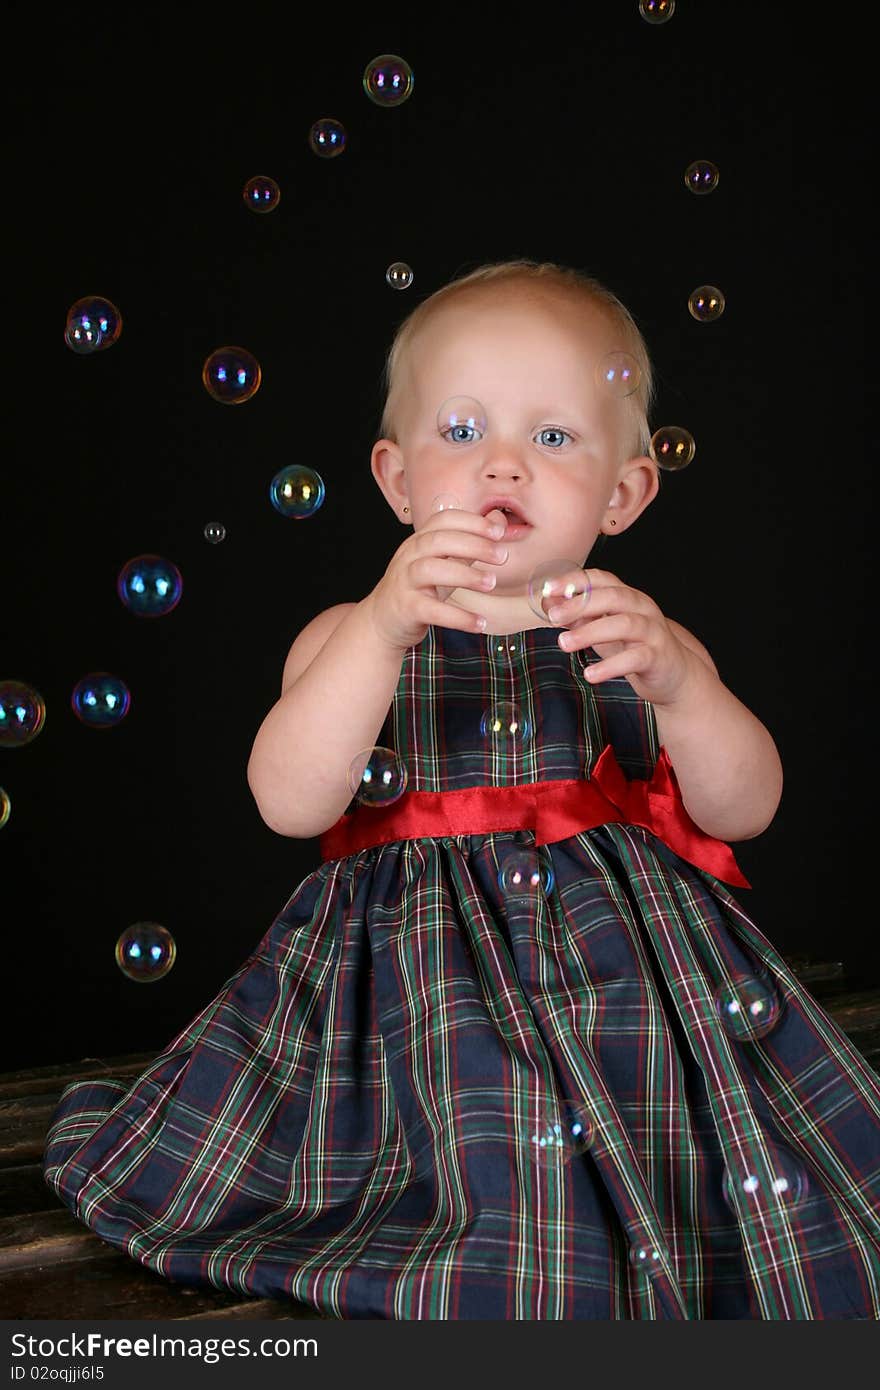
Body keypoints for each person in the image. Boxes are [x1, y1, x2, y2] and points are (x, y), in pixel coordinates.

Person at [43, 259, 880, 1320]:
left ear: (623, 493)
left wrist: (685, 686)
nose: (503, 466)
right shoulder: (355, 638)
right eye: (460, 431)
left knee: (747, 1204)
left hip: (626, 992)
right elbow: (290, 803)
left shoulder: (639, 642)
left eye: (553, 438)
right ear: (396, 483)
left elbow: (743, 808)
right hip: (408, 999)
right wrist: (384, 626)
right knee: (481, 1167)